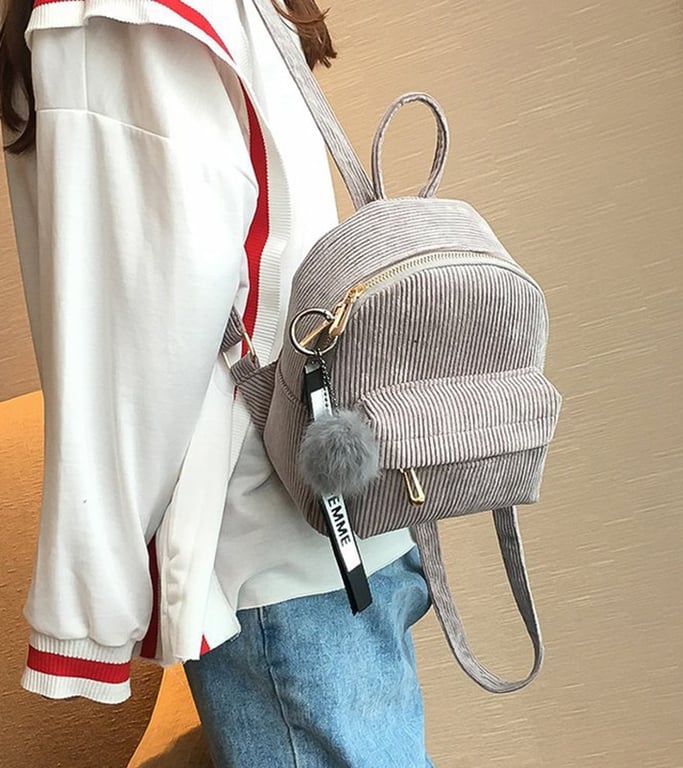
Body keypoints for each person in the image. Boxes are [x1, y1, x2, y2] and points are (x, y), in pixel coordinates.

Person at [0, 0, 434, 764]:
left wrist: (87, 603)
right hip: (334, 527)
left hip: (269, 558)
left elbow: (139, 329)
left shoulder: (115, 16)